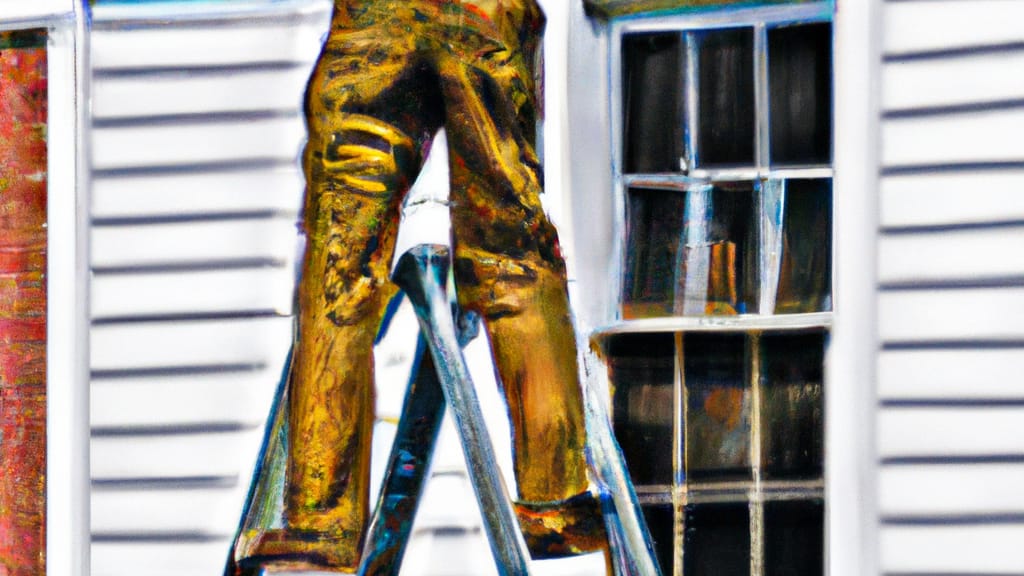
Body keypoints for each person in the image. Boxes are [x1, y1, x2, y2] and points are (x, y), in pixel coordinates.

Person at [233, 0, 603, 571]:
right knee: (510, 244)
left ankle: (321, 523)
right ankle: (553, 500)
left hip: (375, 20)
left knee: (342, 268)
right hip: (482, 11)